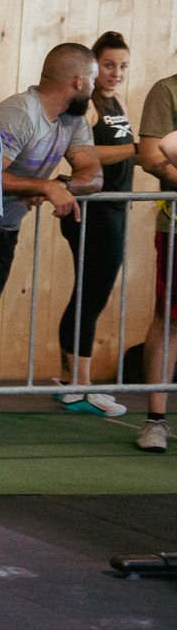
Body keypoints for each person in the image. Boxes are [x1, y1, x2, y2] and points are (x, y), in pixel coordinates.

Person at [0, 44, 101, 447]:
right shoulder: (19, 113)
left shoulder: (73, 120)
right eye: (95, 79)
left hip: (4, 230)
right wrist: (41, 185)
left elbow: (93, 174)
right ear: (78, 81)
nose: (96, 87)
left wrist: (61, 186)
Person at [52, 32, 134, 417]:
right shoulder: (87, 106)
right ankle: (80, 385)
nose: (116, 73)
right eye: (108, 65)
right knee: (93, 293)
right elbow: (86, 151)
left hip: (114, 209)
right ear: (92, 66)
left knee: (90, 293)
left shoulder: (114, 102)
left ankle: (73, 380)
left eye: (122, 66)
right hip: (93, 210)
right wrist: (137, 149)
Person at [133, 81, 177, 452]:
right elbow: (153, 154)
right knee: (170, 319)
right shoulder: (168, 91)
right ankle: (156, 420)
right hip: (176, 226)